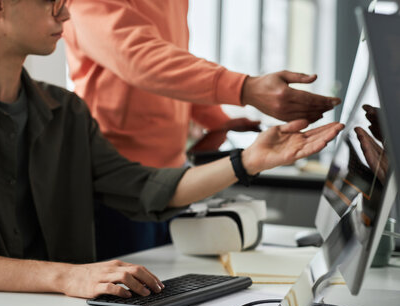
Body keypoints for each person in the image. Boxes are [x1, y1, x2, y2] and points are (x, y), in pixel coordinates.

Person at [0, 0, 343, 306]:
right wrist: (67, 278)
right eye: (50, 1)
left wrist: (249, 161)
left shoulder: (66, 113)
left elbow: (145, 188)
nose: (65, 13)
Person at [63, 0, 342, 258]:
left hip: (172, 178)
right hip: (117, 182)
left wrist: (216, 119)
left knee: (165, 286)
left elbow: (172, 66)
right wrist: (245, 88)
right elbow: (138, 58)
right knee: (122, 297)